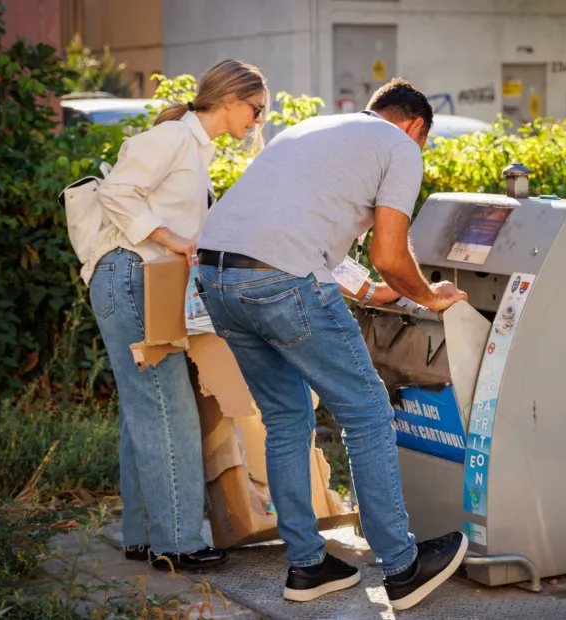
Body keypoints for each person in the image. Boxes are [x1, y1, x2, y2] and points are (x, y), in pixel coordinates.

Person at [195, 78, 469, 610]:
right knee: (367, 412)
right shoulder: (399, 145)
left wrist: (375, 291)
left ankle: (307, 566)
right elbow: (391, 253)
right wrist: (429, 297)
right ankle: (402, 567)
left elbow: (310, 234)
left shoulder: (313, 130)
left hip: (216, 276)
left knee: (287, 418)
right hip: (280, 280)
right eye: (424, 142)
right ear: (415, 125)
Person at [87, 59, 269, 572]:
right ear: (230, 100)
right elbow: (116, 192)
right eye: (255, 109)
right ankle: (179, 544)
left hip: (144, 278)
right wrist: (174, 240)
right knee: (168, 405)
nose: (256, 120)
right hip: (134, 275)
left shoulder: (194, 148)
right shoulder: (172, 140)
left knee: (145, 408)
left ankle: (145, 534)